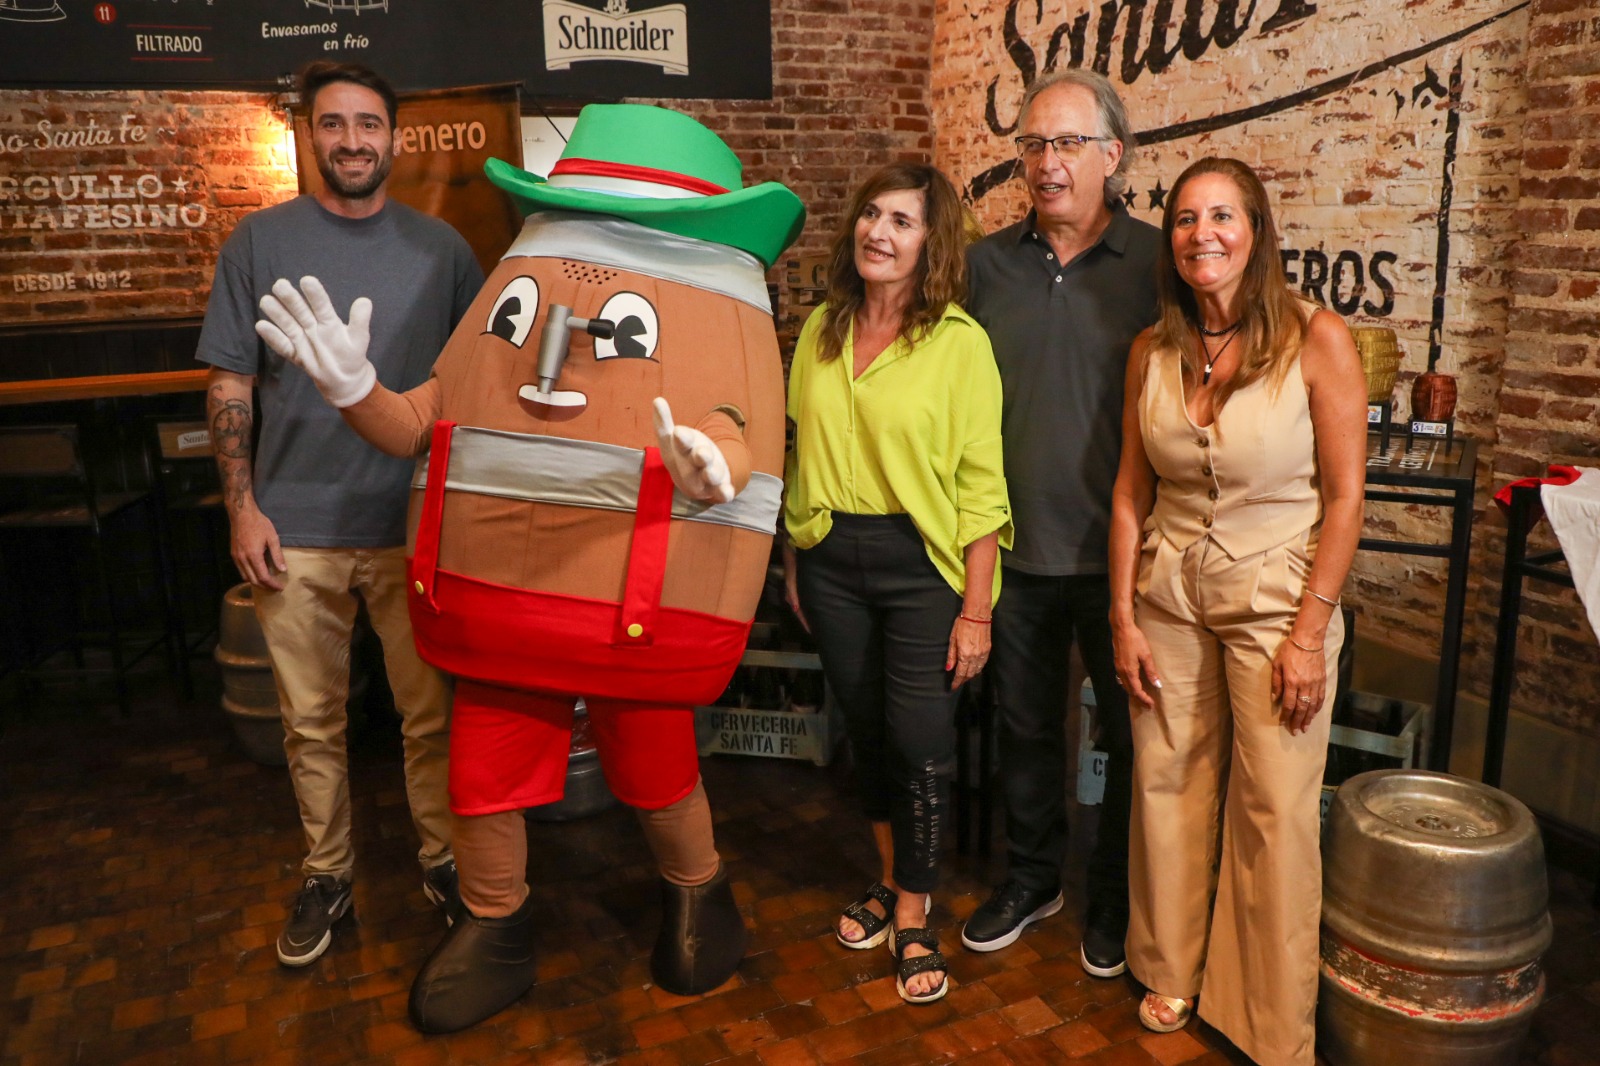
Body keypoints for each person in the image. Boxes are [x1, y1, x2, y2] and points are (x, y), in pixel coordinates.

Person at [197, 60, 483, 967]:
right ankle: (327, 874)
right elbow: (230, 382)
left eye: (368, 124)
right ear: (308, 134)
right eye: (333, 124)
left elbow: (472, 387)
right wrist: (242, 510)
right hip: (296, 529)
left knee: (431, 718)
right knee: (311, 724)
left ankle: (443, 861)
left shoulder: (444, 251)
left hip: (412, 525)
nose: (352, 141)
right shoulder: (259, 241)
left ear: (395, 138)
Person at [1107, 157, 1366, 1062]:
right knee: (1165, 778)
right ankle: (1169, 965)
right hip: (1169, 589)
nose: (1201, 234)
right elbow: (1130, 493)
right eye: (1185, 218)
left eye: (1222, 216)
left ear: (1255, 231)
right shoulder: (1152, 348)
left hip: (1279, 596)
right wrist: (1123, 618)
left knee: (1275, 806)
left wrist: (1311, 634)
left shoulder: (1315, 338)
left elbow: (1346, 498)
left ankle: (1265, 1017)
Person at [782, 162, 1011, 1005]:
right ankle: (888, 878)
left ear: (931, 242)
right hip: (830, 559)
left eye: (902, 221)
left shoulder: (959, 344)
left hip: (921, 567)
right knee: (869, 735)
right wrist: (796, 560)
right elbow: (800, 450)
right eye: (871, 214)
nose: (878, 232)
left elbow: (983, 488)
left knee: (919, 742)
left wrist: (976, 610)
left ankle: (914, 911)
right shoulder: (822, 329)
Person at [960, 69, 1160, 977]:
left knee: (1130, 739)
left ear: (1112, 155)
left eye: (1069, 143)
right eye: (1034, 144)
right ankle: (1034, 877)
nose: (1048, 162)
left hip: (1127, 558)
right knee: (1027, 729)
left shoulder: (1158, 265)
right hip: (1012, 548)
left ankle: (1113, 898)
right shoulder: (984, 267)